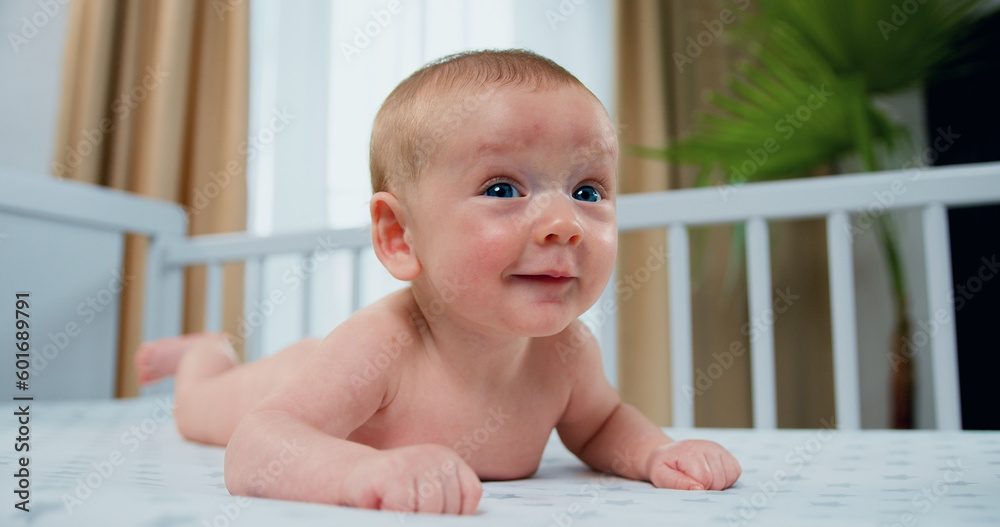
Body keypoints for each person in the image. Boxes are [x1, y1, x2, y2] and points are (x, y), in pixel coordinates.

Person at [135, 49, 741, 515]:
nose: (564, 223)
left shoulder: (567, 351)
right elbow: (255, 446)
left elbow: (602, 424)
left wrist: (656, 453)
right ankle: (204, 354)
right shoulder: (384, 344)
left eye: (588, 191)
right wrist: (360, 475)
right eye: (503, 189)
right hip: (292, 380)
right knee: (198, 406)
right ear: (400, 236)